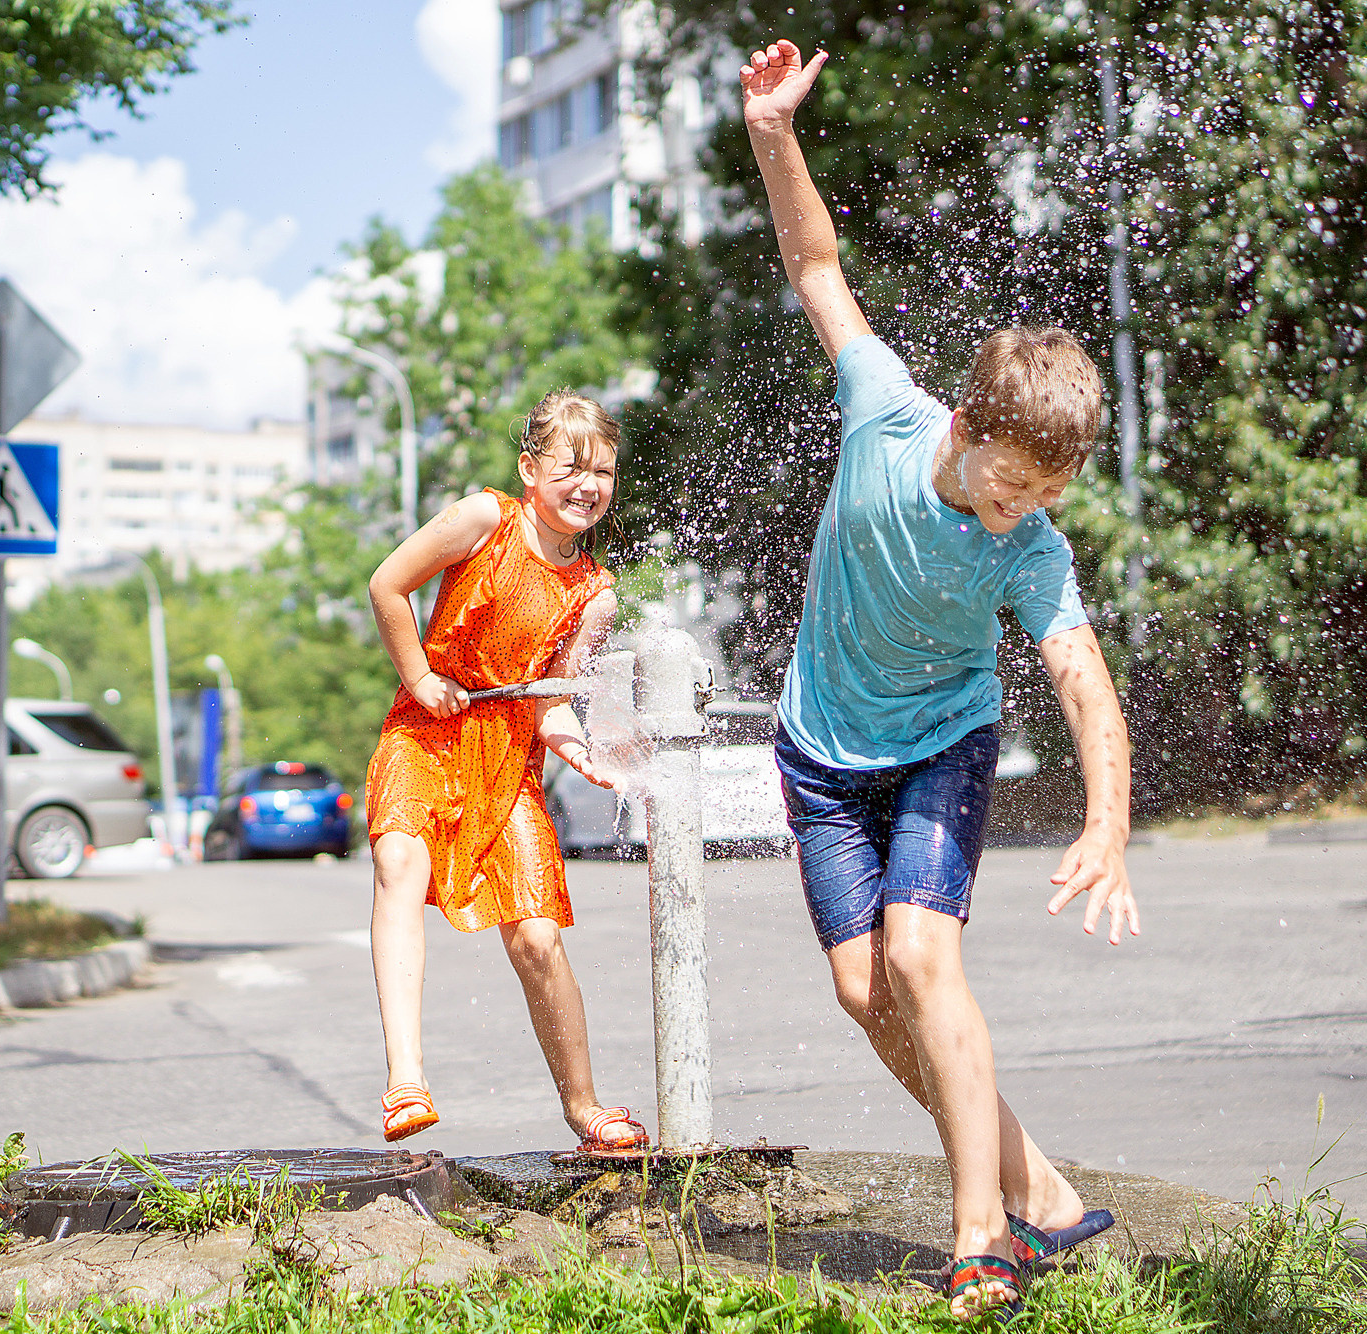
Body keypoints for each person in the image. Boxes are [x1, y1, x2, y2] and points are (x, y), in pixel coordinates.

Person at [741, 38, 1142, 1322]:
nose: (1017, 514)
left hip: (940, 742)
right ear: (964, 429)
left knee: (922, 955)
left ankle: (980, 1242)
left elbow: (1080, 681)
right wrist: (771, 132)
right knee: (865, 991)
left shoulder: (1029, 549)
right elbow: (815, 265)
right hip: (818, 750)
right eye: (1011, 483)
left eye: (1045, 497)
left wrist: (1108, 824)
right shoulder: (883, 408)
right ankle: (1047, 1199)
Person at [363, 391, 647, 1153]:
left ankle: (584, 1106)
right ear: (530, 469)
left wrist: (575, 744)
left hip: (506, 761)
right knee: (399, 861)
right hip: (426, 734)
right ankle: (406, 1079)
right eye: (571, 468)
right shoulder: (484, 518)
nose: (589, 485)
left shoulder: (594, 593)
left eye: (604, 472)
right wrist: (420, 677)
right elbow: (387, 585)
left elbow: (552, 696)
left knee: (536, 938)